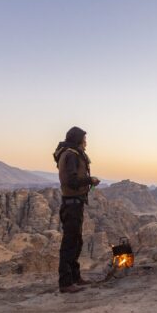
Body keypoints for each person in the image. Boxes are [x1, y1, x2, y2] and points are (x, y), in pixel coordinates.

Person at [53, 126, 100, 293]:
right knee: (70, 243)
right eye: (84, 140)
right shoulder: (71, 155)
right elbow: (71, 181)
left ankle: (75, 277)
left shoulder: (70, 153)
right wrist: (90, 180)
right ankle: (66, 283)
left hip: (75, 203)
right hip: (72, 204)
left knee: (76, 241)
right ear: (78, 140)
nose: (86, 143)